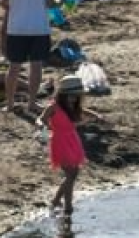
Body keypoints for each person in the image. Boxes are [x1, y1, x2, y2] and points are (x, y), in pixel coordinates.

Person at [0, 0, 55, 115]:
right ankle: (32, 102)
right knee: (36, 66)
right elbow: (50, 2)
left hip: (17, 27)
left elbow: (4, 1)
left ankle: (9, 103)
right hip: (39, 26)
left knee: (14, 66)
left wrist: (17, 5)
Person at [37, 76, 103, 218]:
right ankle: (67, 206)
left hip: (72, 140)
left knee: (73, 174)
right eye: (70, 96)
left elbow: (83, 111)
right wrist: (41, 125)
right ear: (63, 94)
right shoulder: (54, 107)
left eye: (76, 96)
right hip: (60, 141)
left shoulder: (73, 106)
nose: (73, 99)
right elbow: (41, 118)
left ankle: (56, 201)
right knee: (71, 174)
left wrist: (95, 115)